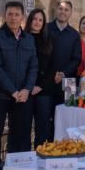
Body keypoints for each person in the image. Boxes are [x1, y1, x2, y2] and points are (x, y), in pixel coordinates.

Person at [0, 1, 38, 170]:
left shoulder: (29, 39)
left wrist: (26, 89)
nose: (13, 18)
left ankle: (19, 167)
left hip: (23, 95)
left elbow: (33, 67)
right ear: (4, 16)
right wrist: (13, 91)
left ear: (23, 17)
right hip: (3, 94)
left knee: (21, 132)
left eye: (17, 14)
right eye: (10, 14)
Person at [25, 8, 56, 147]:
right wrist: (28, 87)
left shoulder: (49, 39)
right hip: (25, 89)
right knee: (23, 127)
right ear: (30, 20)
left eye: (40, 20)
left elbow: (52, 66)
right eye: (35, 19)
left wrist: (40, 86)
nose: (37, 22)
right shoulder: (22, 38)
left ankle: (41, 156)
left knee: (42, 127)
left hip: (43, 90)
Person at [47, 0, 81, 105]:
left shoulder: (74, 34)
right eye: (60, 9)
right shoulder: (46, 29)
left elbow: (76, 59)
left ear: (70, 13)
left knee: (67, 115)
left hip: (69, 81)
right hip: (47, 80)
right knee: (45, 117)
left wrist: (63, 73)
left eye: (66, 10)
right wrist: (52, 74)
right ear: (56, 10)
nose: (63, 12)